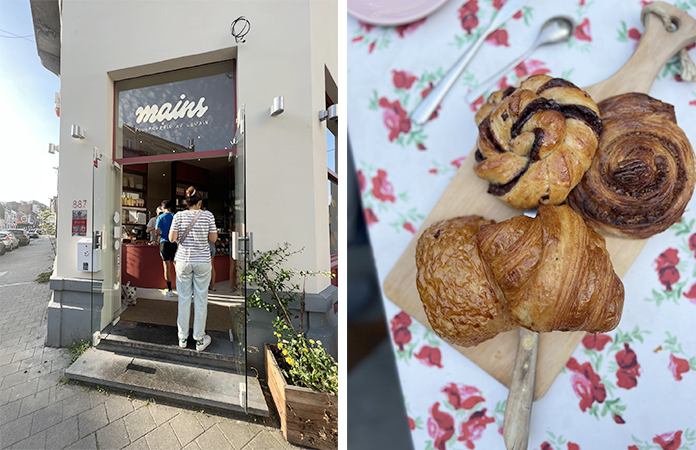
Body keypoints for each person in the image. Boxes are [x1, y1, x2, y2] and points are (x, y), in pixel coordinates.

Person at [169, 186, 217, 352]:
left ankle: (182, 338)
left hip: (183, 260)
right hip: (202, 261)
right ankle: (199, 339)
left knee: (183, 298)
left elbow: (171, 238)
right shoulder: (208, 215)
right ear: (200, 201)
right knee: (201, 299)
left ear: (186, 201)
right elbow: (213, 239)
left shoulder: (178, 216)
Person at [155, 200, 177, 297]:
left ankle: (170, 290)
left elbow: (156, 232)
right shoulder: (176, 216)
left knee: (167, 267)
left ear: (163, 208)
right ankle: (182, 288)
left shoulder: (160, 217)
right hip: (175, 243)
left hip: (164, 242)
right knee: (177, 266)